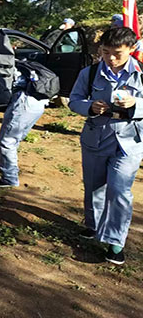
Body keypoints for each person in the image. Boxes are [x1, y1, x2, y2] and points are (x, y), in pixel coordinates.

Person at [69, 27, 143, 265]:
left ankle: (115, 242)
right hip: (96, 136)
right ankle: (94, 226)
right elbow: (74, 100)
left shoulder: (141, 74)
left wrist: (136, 104)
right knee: (94, 186)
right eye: (105, 52)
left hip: (128, 141)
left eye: (117, 53)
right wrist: (90, 107)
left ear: (131, 50)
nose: (110, 58)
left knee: (119, 190)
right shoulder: (90, 73)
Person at [0, 70, 48, 188]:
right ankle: (4, 165)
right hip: (39, 103)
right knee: (14, 139)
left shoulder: (7, 66)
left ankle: (10, 178)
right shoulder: (24, 65)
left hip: (24, 102)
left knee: (7, 141)